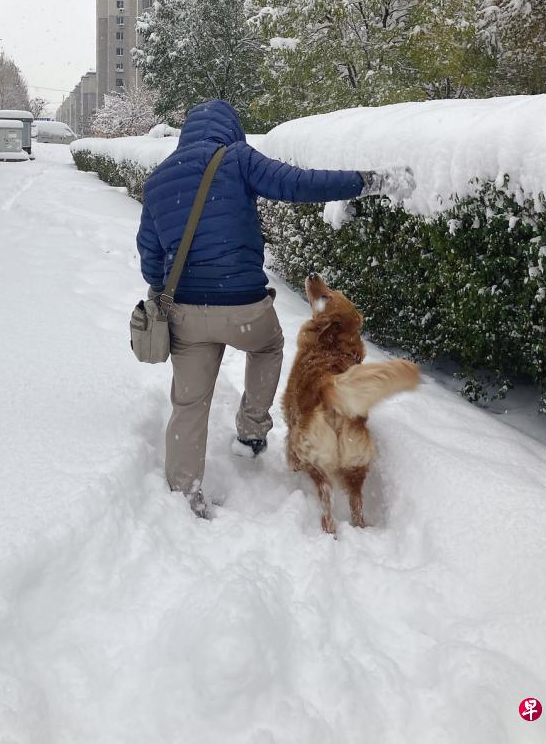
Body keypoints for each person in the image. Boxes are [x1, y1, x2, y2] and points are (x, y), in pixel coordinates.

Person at [136, 98, 403, 518]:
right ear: (231, 131)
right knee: (268, 347)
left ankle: (184, 499)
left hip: (186, 313)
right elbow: (299, 183)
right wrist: (366, 181)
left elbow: (150, 260)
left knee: (189, 405)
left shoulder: (159, 181)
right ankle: (251, 430)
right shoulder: (238, 159)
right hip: (244, 306)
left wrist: (170, 294)